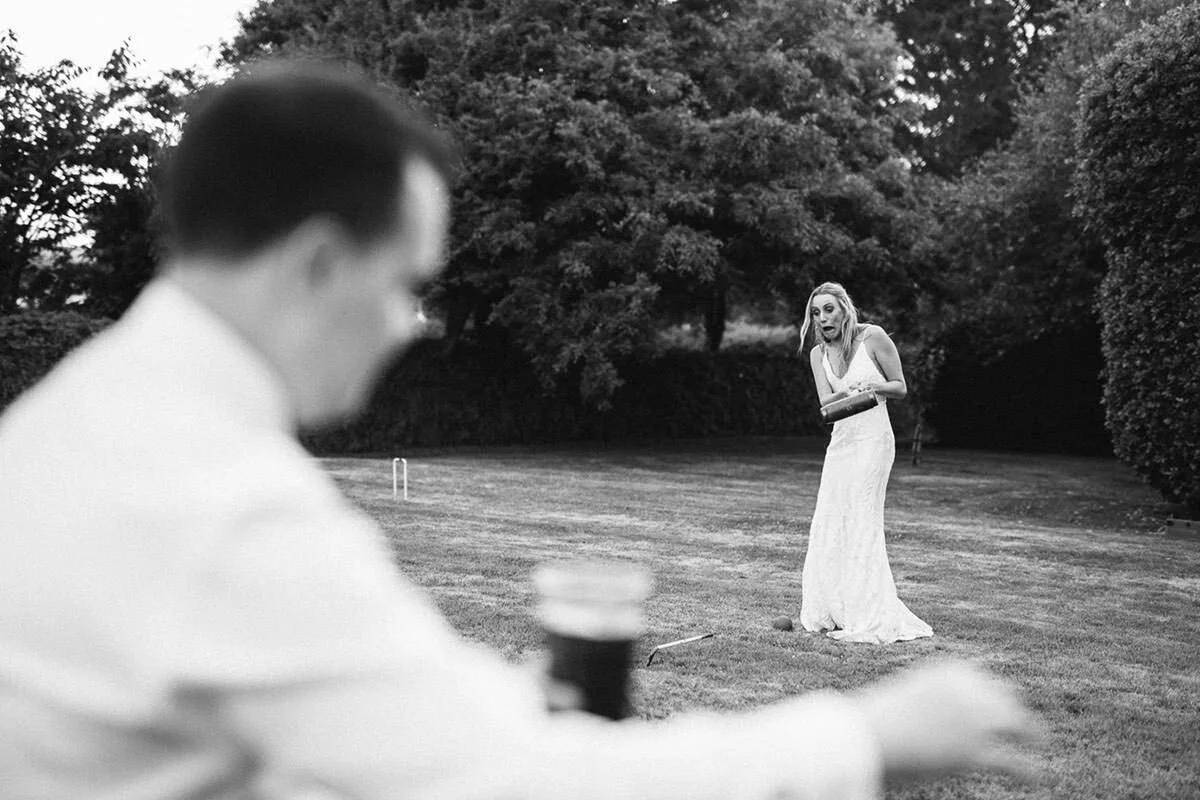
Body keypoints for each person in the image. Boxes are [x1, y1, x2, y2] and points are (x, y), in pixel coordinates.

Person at [0, 62, 1038, 800]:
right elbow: (516, 784)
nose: (413, 322)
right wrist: (865, 736)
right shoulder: (222, 504)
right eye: (407, 281)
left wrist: (495, 695)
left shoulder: (76, 419)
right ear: (317, 263)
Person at [797, 282, 934, 644]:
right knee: (830, 519)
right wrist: (847, 393)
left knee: (861, 519)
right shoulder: (817, 354)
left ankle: (867, 613)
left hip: (874, 440)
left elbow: (900, 386)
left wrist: (870, 390)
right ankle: (834, 608)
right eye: (815, 312)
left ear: (844, 308)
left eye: (828, 309)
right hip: (841, 442)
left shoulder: (872, 337)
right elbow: (826, 405)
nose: (822, 318)